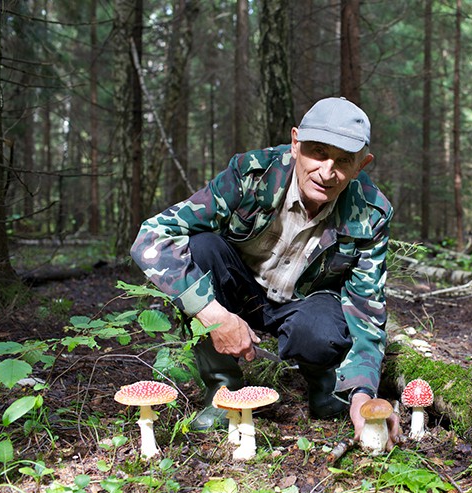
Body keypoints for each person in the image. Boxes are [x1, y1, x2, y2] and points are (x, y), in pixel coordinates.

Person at [130, 97, 400, 449]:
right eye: (317, 152)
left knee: (324, 324)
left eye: (343, 161)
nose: (327, 172)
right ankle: (222, 387)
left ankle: (327, 387)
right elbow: (152, 236)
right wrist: (211, 314)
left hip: (302, 305)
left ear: (361, 165)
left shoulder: (371, 213)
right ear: (295, 143)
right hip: (236, 293)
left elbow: (366, 311)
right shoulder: (252, 173)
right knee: (203, 248)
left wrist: (364, 392)